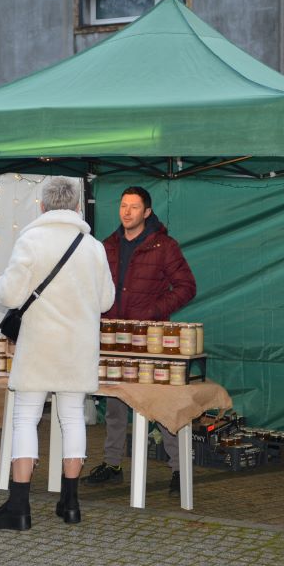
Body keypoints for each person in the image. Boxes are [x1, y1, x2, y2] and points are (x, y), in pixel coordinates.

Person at [0, 177, 115, 531]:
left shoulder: (31, 240)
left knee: (26, 419)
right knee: (72, 417)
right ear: (77, 207)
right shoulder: (93, 247)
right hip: (78, 346)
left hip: (39, 345)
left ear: (42, 206)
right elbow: (106, 301)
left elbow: (10, 295)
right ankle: (70, 503)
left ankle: (19, 506)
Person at [83, 186, 196, 494]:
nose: (127, 211)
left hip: (150, 340)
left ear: (147, 212)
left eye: (134, 207)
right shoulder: (107, 246)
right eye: (123, 205)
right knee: (115, 405)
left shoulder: (164, 246)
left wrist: (153, 311)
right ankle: (112, 465)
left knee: (160, 405)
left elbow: (186, 286)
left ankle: (179, 469)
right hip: (113, 340)